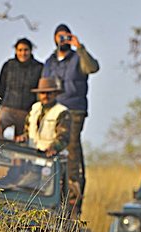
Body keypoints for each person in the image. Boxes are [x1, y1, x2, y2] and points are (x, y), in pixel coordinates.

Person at [42, 24, 99, 212]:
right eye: (60, 37)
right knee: (50, 150)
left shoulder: (78, 58)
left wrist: (80, 47)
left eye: (66, 37)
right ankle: (51, 195)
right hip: (53, 111)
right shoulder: (50, 62)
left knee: (72, 149)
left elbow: (93, 68)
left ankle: (75, 200)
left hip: (74, 110)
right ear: (54, 38)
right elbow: (43, 87)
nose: (62, 40)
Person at [0, 38, 43, 139]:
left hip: (27, 112)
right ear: (16, 51)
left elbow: (41, 94)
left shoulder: (39, 67)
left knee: (22, 141)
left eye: (26, 50)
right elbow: (0, 90)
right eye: (20, 50)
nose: (23, 53)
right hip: (8, 108)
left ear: (31, 51)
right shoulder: (8, 66)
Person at [15, 77, 71, 157]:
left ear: (55, 94)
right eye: (42, 93)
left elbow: (63, 138)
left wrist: (54, 147)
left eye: (49, 93)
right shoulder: (34, 108)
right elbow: (27, 130)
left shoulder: (62, 111)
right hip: (32, 155)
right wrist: (23, 137)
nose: (45, 96)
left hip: (51, 157)